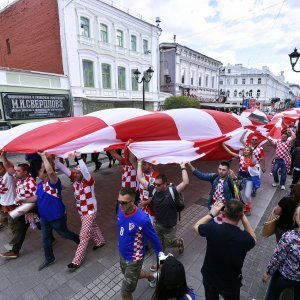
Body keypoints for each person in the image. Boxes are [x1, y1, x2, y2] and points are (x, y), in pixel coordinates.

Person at [17, 153, 80, 270]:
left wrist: (43, 156)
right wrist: (22, 199)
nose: (38, 172)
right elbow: (36, 198)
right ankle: (49, 258)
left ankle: (80, 241)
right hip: (44, 218)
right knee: (45, 239)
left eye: (41, 170)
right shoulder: (40, 185)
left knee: (64, 234)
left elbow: (51, 172)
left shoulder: (54, 183)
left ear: (45, 173)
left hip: (57, 217)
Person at [193, 200, 256, 300]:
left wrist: (212, 214)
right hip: (230, 282)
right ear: (240, 215)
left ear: (224, 213)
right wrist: (243, 217)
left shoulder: (213, 228)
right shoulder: (244, 238)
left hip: (210, 277)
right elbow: (254, 239)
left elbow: (196, 226)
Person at [55, 152, 105, 270]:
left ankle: (76, 261)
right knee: (93, 226)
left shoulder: (89, 181)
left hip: (90, 212)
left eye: (78, 173)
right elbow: (63, 168)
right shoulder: (75, 180)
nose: (76, 175)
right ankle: (100, 241)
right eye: (75, 173)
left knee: (83, 235)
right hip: (82, 212)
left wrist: (79, 158)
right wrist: (56, 158)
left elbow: (85, 171)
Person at [138, 161, 189, 270]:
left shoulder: (172, 191)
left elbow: (185, 182)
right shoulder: (154, 190)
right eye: (155, 184)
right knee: (159, 245)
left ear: (165, 184)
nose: (156, 186)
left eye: (159, 185)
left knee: (170, 243)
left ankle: (180, 242)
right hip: (158, 224)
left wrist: (183, 166)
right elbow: (140, 178)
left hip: (170, 226)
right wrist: (138, 164)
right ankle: (159, 263)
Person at [117, 187, 164, 300]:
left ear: (132, 202)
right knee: (135, 275)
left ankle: (152, 277)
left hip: (135, 259)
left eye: (124, 202)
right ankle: (152, 277)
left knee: (125, 292)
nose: (120, 205)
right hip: (122, 254)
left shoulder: (142, 219)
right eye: (119, 201)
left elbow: (155, 241)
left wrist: (161, 260)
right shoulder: (120, 210)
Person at [0, 153, 38, 259]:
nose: (15, 172)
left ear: (25, 172)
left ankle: (52, 237)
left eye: (18, 171)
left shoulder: (30, 183)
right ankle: (15, 251)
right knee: (21, 228)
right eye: (15, 171)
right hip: (24, 208)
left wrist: (23, 201)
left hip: (32, 209)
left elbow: (37, 198)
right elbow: (9, 168)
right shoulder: (19, 178)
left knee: (44, 226)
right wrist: (3, 156)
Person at [262, 204, 300, 300]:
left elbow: (278, 257)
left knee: (273, 295)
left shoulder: (289, 236)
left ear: (296, 216)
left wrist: (268, 273)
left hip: (283, 274)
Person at [222, 143, 257, 215]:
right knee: (239, 194)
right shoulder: (240, 157)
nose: (246, 151)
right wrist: (223, 145)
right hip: (240, 178)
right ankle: (241, 208)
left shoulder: (253, 159)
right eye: (245, 150)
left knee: (247, 195)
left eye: (247, 150)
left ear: (250, 152)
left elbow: (255, 169)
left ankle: (248, 208)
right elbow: (230, 152)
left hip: (249, 179)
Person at [240, 131, 266, 196]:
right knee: (246, 177)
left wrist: (263, 167)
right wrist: (245, 131)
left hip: (255, 166)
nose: (254, 140)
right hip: (247, 165)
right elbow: (241, 139)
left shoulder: (260, 148)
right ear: (251, 140)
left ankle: (254, 189)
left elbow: (263, 158)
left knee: (256, 178)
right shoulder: (248, 146)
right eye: (253, 139)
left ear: (258, 141)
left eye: (255, 139)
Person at [0, 158, 18, 251]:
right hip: (3, 204)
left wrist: (3, 157)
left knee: (12, 224)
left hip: (12, 204)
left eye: (0, 168)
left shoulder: (9, 175)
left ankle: (15, 243)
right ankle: (17, 230)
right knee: (2, 220)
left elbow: (10, 167)